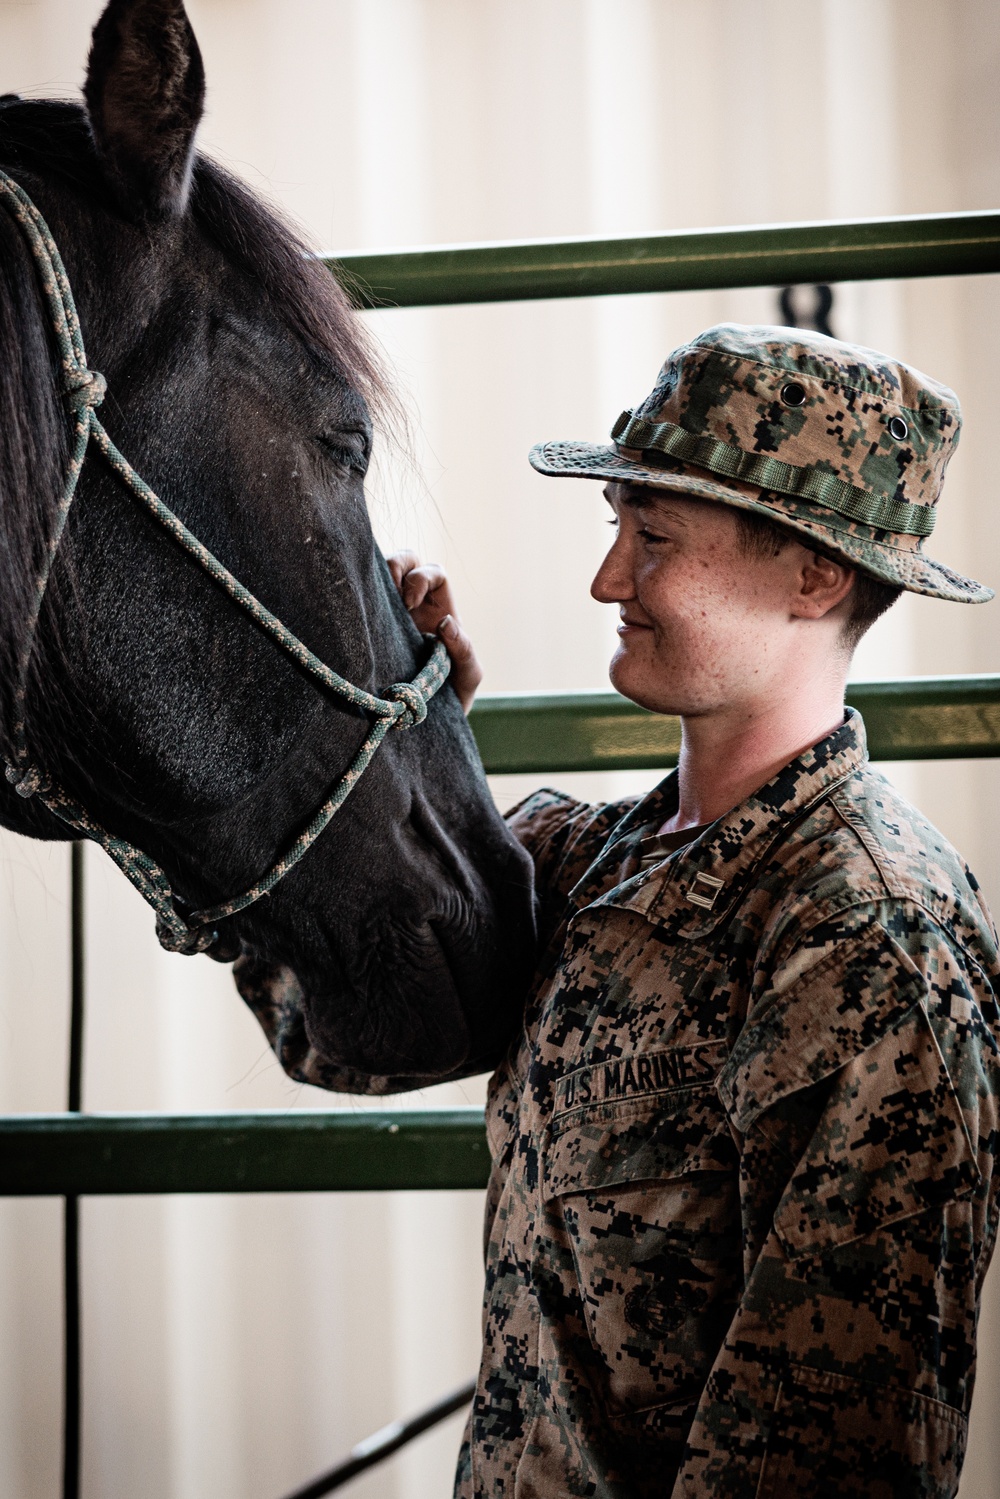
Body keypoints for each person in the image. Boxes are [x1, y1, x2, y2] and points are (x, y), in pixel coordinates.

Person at [388, 325, 1000, 1499]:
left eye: (653, 537)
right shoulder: (577, 857)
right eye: (614, 528)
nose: (607, 578)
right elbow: (363, 1019)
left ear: (814, 574)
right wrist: (400, 733)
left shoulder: (866, 936)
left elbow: (827, 1454)